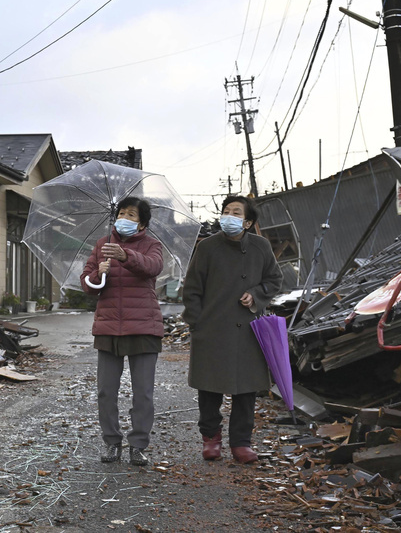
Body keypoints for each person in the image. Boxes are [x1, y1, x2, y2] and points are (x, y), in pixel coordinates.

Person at [181, 195, 283, 464]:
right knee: (209, 387)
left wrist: (256, 295)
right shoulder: (207, 248)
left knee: (246, 389)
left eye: (236, 212)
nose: (228, 216)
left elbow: (274, 280)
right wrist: (196, 323)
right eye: (225, 211)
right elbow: (192, 289)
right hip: (211, 328)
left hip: (249, 330)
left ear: (248, 222)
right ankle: (210, 437)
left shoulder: (261, 247)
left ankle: (241, 442)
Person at [81, 196, 164, 467]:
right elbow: (87, 284)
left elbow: (153, 267)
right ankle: (111, 442)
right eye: (121, 213)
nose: (124, 219)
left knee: (143, 393)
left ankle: (138, 445)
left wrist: (125, 255)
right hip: (108, 327)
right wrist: (97, 275)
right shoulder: (101, 245)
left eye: (131, 215)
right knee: (106, 391)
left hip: (143, 326)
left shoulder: (152, 244)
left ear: (142, 223)